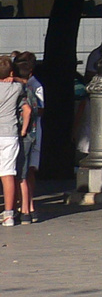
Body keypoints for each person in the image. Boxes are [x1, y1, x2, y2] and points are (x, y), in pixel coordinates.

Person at [0, 56, 30, 228]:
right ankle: (9, 215)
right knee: (8, 173)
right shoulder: (16, 87)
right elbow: (26, 81)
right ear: (11, 72)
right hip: (9, 133)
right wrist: (15, 78)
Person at [11, 53, 40, 224]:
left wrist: (22, 130)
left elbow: (28, 110)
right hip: (32, 134)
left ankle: (24, 210)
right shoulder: (29, 88)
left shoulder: (21, 88)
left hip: (23, 134)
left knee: (19, 173)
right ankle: (28, 208)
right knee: (24, 172)